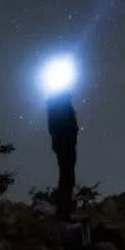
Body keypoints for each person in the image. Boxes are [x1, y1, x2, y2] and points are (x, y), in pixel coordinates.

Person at [46, 91, 79, 221]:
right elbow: (58, 128)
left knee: (67, 178)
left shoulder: (58, 106)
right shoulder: (60, 107)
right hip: (65, 145)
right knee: (67, 178)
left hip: (66, 145)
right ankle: (64, 213)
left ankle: (64, 211)